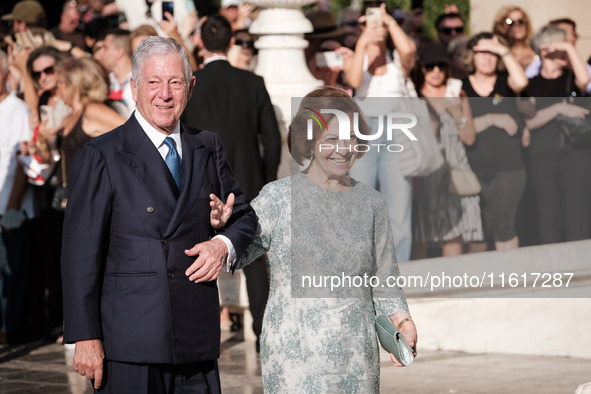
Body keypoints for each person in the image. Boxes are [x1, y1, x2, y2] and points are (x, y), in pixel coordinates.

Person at [61, 36, 258, 392]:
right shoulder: (102, 154)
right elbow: (79, 254)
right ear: (134, 88)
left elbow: (244, 216)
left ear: (191, 86)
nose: (164, 94)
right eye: (153, 82)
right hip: (130, 343)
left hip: (194, 338)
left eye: (175, 82)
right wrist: (85, 336)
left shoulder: (207, 145)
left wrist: (222, 243)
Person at [231, 86, 417, 392]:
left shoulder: (371, 203)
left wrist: (402, 321)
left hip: (356, 356)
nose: (344, 149)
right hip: (295, 358)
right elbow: (235, 255)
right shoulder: (278, 198)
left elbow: (385, 279)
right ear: (310, 141)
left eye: (352, 138)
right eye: (331, 139)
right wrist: (223, 225)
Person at [182, 14, 281, 352]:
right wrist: (266, 179)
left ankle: (198, 335)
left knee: (195, 255)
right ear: (230, 42)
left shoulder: (190, 84)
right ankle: (263, 334)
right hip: (248, 181)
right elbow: (272, 137)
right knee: (254, 261)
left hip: (199, 183)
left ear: (200, 42)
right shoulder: (253, 82)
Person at [343, 2, 416, 262]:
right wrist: (364, 39)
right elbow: (352, 81)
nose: (377, 26)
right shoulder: (356, 57)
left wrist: (390, 22)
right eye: (371, 20)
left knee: (399, 206)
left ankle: (401, 270)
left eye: (381, 21)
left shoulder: (398, 61)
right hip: (366, 132)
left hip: (396, 130)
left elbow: (408, 50)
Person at [410, 42, 483, 258]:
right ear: (421, 67)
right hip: (427, 172)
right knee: (421, 234)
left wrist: (457, 113)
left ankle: (454, 287)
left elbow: (469, 138)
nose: (435, 72)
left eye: (441, 66)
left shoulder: (457, 94)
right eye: (430, 66)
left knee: (454, 234)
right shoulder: (414, 95)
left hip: (456, 171)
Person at [523, 24, 591, 244]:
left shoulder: (572, 78)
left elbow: (585, 80)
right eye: (563, 46)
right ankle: (552, 269)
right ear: (546, 51)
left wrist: (568, 49)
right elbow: (530, 122)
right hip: (542, 155)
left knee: (577, 212)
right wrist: (559, 109)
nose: (569, 50)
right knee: (548, 212)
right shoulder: (530, 85)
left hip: (576, 154)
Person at [461, 32, 529, 250]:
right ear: (472, 55)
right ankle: (479, 282)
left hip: (508, 167)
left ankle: (511, 282)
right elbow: (459, 128)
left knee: (504, 226)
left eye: (493, 53)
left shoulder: (505, 82)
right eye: (482, 52)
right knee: (477, 231)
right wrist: (492, 119)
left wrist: (504, 51)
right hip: (472, 168)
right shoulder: (460, 86)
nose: (487, 58)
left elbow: (521, 81)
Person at [0, 49, 35, 344]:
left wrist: (11, 209)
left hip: (9, 211)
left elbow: (25, 164)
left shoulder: (17, 109)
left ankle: (12, 332)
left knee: (12, 277)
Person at [492, 5, 536, 70]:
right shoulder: (497, 53)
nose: (517, 25)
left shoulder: (535, 50)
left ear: (526, 24)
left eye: (521, 21)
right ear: (501, 27)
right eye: (510, 22)